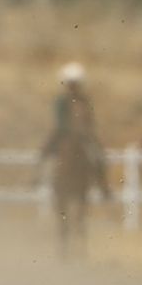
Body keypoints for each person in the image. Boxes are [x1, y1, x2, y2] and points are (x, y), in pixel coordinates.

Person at [38, 62, 110, 198]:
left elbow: (89, 117)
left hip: (83, 133)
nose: (73, 87)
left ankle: (103, 184)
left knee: (98, 153)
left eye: (75, 84)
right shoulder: (61, 100)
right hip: (63, 132)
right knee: (45, 151)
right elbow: (60, 119)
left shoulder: (84, 100)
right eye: (71, 84)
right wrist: (69, 128)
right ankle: (38, 177)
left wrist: (86, 129)